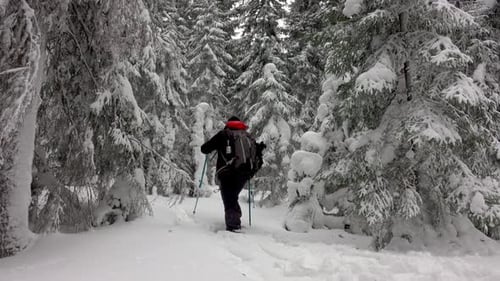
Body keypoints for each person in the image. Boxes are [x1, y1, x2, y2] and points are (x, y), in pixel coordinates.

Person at [201, 116, 252, 232]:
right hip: (243, 173)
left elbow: (204, 149)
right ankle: (235, 219)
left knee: (229, 198)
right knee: (232, 197)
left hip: (226, 172)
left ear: (228, 124)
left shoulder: (223, 134)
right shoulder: (247, 136)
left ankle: (233, 226)